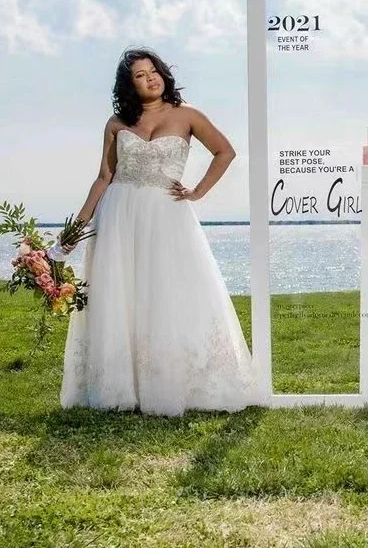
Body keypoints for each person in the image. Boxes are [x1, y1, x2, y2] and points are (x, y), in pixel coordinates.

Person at [58, 48, 259, 416]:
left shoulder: (188, 115)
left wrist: (197, 192)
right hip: (118, 215)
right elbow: (104, 177)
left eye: (154, 71)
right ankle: (120, 386)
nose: (150, 78)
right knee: (119, 295)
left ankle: (170, 381)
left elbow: (225, 152)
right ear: (129, 85)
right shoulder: (117, 123)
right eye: (140, 75)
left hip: (166, 216)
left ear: (163, 73)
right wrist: (76, 228)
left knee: (167, 293)